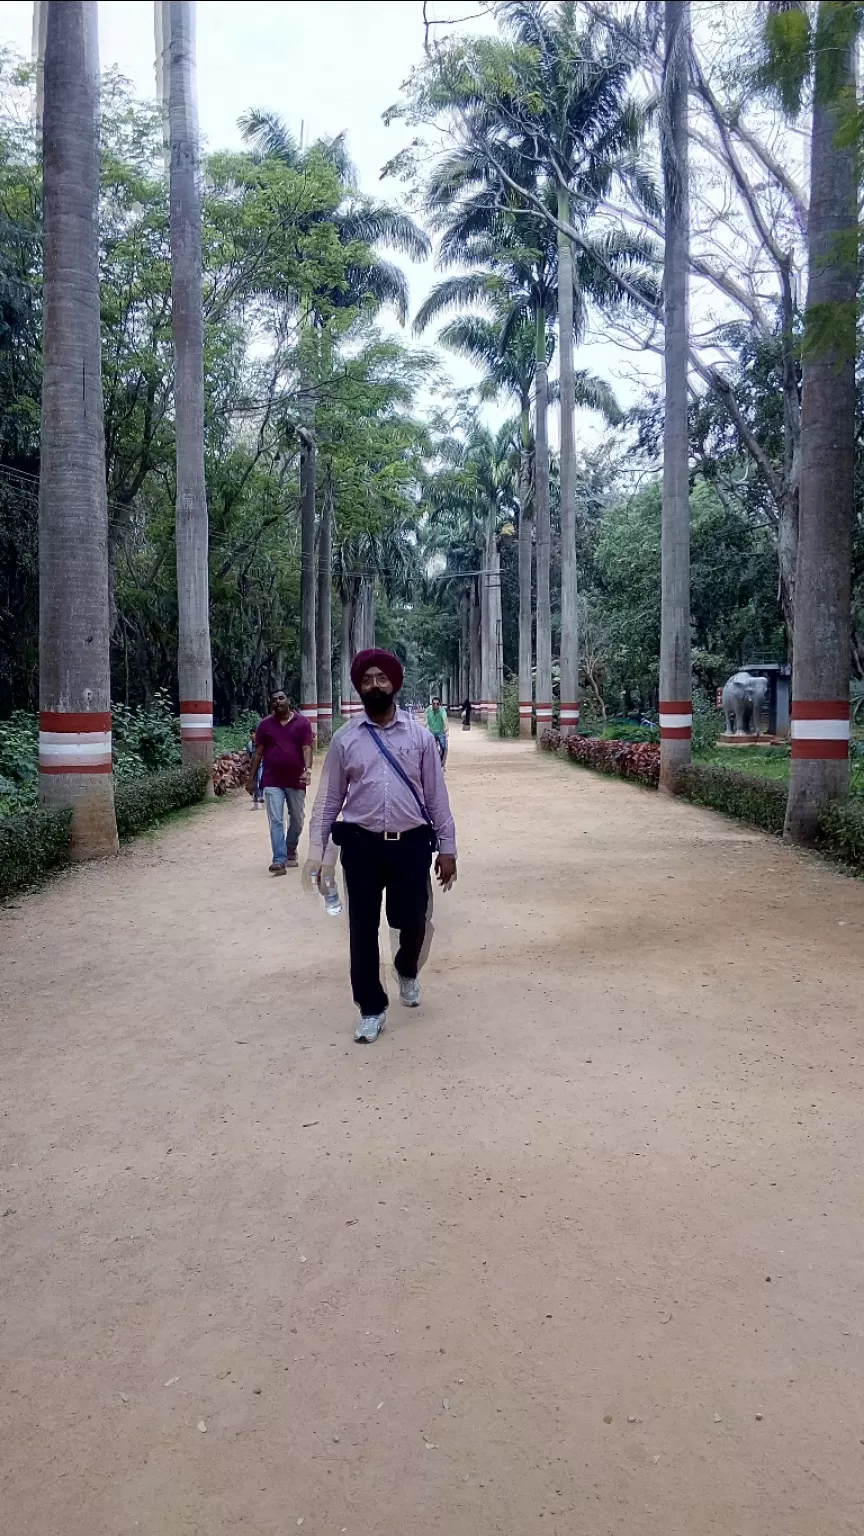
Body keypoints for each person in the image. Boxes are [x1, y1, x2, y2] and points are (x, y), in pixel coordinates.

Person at [305, 648, 457, 1044]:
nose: (375, 684)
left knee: (413, 920)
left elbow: (437, 796)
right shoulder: (344, 740)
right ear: (359, 687)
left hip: (410, 845)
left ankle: (406, 968)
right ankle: (371, 1007)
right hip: (361, 847)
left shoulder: (420, 737)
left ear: (394, 684)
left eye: (382, 678)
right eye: (367, 679)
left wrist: (448, 847)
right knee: (362, 929)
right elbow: (328, 800)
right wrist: (317, 854)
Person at [246, 689, 313, 874]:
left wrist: (308, 770)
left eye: (281, 698)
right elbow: (258, 753)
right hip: (271, 779)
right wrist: (251, 779)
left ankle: (291, 848)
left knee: (298, 819)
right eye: (273, 700)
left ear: (288, 700)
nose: (277, 702)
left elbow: (307, 748)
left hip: (296, 779)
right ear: (270, 704)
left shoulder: (302, 723)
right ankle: (279, 859)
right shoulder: (265, 725)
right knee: (276, 820)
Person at [426, 695, 449, 767]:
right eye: (434, 703)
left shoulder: (442, 710)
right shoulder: (428, 710)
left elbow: (445, 719)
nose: (435, 705)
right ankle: (432, 763)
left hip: (441, 732)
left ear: (439, 705)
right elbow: (425, 721)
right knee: (430, 748)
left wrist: (446, 728)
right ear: (432, 704)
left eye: (437, 704)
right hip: (431, 732)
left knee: (444, 748)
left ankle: (441, 764)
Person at [246, 728, 264, 807]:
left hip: (261, 765)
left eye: (253, 733)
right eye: (251, 733)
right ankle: (256, 800)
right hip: (253, 766)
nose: (251, 735)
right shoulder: (249, 744)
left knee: (260, 780)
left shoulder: (261, 743)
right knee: (254, 782)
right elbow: (249, 755)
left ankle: (261, 796)